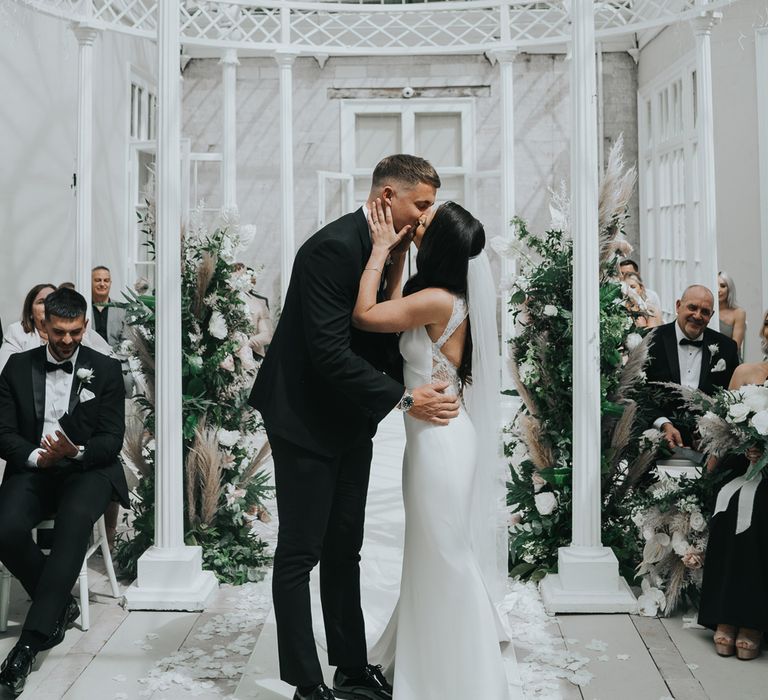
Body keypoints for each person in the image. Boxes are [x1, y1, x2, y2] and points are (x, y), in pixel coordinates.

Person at [248, 154, 460, 700]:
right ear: (387, 198)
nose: (426, 217)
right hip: (303, 416)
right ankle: (305, 681)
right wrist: (405, 397)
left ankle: (349, 666)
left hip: (349, 418)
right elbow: (326, 351)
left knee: (346, 547)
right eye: (421, 204)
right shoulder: (332, 248)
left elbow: (380, 334)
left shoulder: (389, 253)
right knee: (300, 552)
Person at [353, 200, 510, 699]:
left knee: (445, 554)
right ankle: (429, 657)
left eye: (424, 223)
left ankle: (470, 674)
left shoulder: (440, 299)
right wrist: (399, 264)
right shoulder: (440, 296)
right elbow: (402, 318)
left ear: (439, 243)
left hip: (440, 443)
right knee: (430, 553)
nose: (414, 223)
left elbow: (365, 316)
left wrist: (379, 251)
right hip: (434, 437)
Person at [0, 288, 127, 697]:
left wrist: (78, 450)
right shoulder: (16, 368)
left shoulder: (105, 370)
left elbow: (112, 438)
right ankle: (58, 605)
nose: (68, 340)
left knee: (73, 524)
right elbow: (3, 433)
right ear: (42, 326)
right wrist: (38, 456)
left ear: (85, 326)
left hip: (87, 470)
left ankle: (29, 644)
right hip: (35, 467)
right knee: (4, 530)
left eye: (75, 332)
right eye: (59, 332)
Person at [698, 311, 768, 660]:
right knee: (728, 504)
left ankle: (753, 621)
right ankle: (723, 616)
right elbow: (722, 425)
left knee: (758, 511)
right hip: (742, 462)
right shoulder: (745, 373)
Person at [645, 284, 739, 450]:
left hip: (709, 449)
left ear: (712, 315)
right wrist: (663, 424)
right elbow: (638, 393)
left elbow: (731, 397)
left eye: (705, 312)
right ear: (678, 306)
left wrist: (712, 430)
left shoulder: (727, 348)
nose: (697, 315)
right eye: (692, 307)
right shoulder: (650, 340)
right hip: (657, 443)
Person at [0, 284, 112, 374]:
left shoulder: (83, 330)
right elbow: (5, 370)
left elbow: (108, 358)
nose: (47, 306)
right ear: (30, 312)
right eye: (41, 302)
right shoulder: (16, 332)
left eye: (52, 301)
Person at [717, 271, 747, 355]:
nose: (718, 290)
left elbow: (735, 346)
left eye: (722, 286)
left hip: (730, 359)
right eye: (715, 286)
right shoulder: (707, 311)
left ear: (729, 289)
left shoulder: (739, 313)